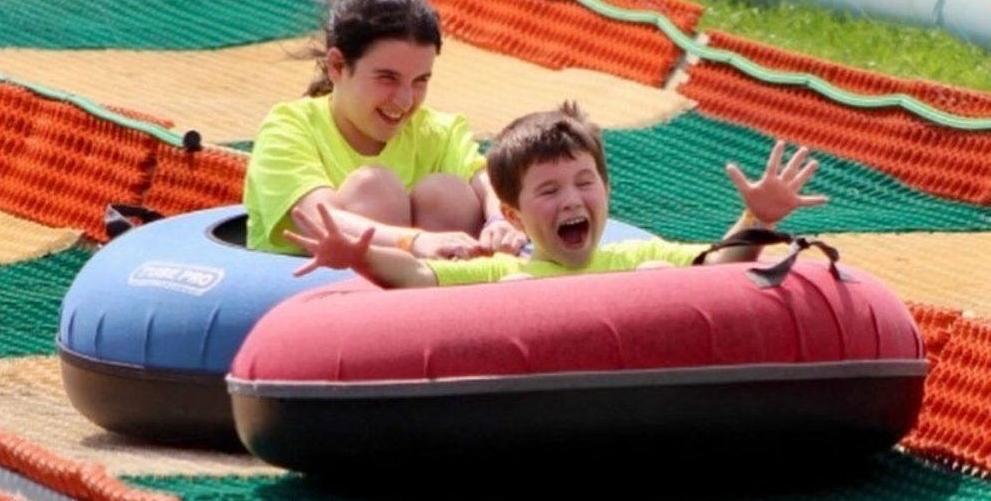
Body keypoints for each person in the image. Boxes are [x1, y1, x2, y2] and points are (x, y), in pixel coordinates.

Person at [284, 101, 828, 287]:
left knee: (654, 280)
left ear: (607, 192)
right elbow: (419, 277)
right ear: (515, 217)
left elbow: (716, 270)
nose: (571, 199)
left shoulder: (634, 257)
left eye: (584, 183)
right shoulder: (504, 274)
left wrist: (754, 218)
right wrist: (362, 257)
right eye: (549, 190)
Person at [243, 0, 526, 258]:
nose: (405, 101)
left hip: (427, 287)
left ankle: (438, 293)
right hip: (318, 291)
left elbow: (490, 185)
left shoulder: (439, 131)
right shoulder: (287, 129)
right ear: (338, 66)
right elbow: (320, 220)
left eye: (420, 81)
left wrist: (499, 220)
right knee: (374, 188)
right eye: (387, 78)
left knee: (446, 192)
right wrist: (414, 242)